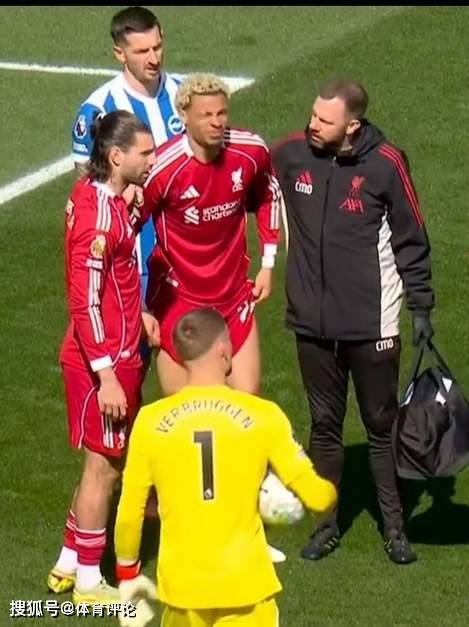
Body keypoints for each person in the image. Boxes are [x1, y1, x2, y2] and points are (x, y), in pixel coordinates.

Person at [271, 78, 435, 564]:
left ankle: (394, 527)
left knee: (381, 425)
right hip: (312, 323)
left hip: (372, 324)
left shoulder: (386, 164)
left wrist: (421, 308)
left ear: (352, 126)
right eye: (313, 115)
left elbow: (411, 237)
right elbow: (239, 169)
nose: (313, 125)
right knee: (324, 425)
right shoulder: (292, 154)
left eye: (325, 120)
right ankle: (325, 525)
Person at [113, 308, 337, 626]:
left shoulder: (150, 422)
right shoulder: (264, 416)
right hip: (245, 586)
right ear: (222, 351)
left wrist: (126, 571)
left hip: (183, 590)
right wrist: (318, 496)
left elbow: (129, 510)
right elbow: (317, 496)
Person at [48, 111, 160, 604]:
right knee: (105, 470)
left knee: (101, 463)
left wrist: (140, 313)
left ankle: (68, 562)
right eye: (145, 153)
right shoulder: (98, 218)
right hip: (105, 361)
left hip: (114, 352)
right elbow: (86, 301)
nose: (152, 160)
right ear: (117, 157)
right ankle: (90, 581)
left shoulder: (98, 197)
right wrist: (107, 375)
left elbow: (117, 263)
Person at [138, 73, 282, 397]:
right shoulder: (162, 169)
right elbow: (126, 228)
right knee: (184, 407)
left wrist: (268, 263)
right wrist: (141, 305)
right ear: (184, 116)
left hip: (233, 296)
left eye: (221, 113)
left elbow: (269, 195)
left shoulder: (250, 151)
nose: (216, 122)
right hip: (179, 300)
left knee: (247, 400)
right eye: (206, 115)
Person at [71, 6, 183, 299]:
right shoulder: (98, 111)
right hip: (133, 263)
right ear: (119, 54)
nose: (153, 58)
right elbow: (88, 193)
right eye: (142, 51)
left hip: (189, 258)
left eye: (157, 47)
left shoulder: (185, 96)